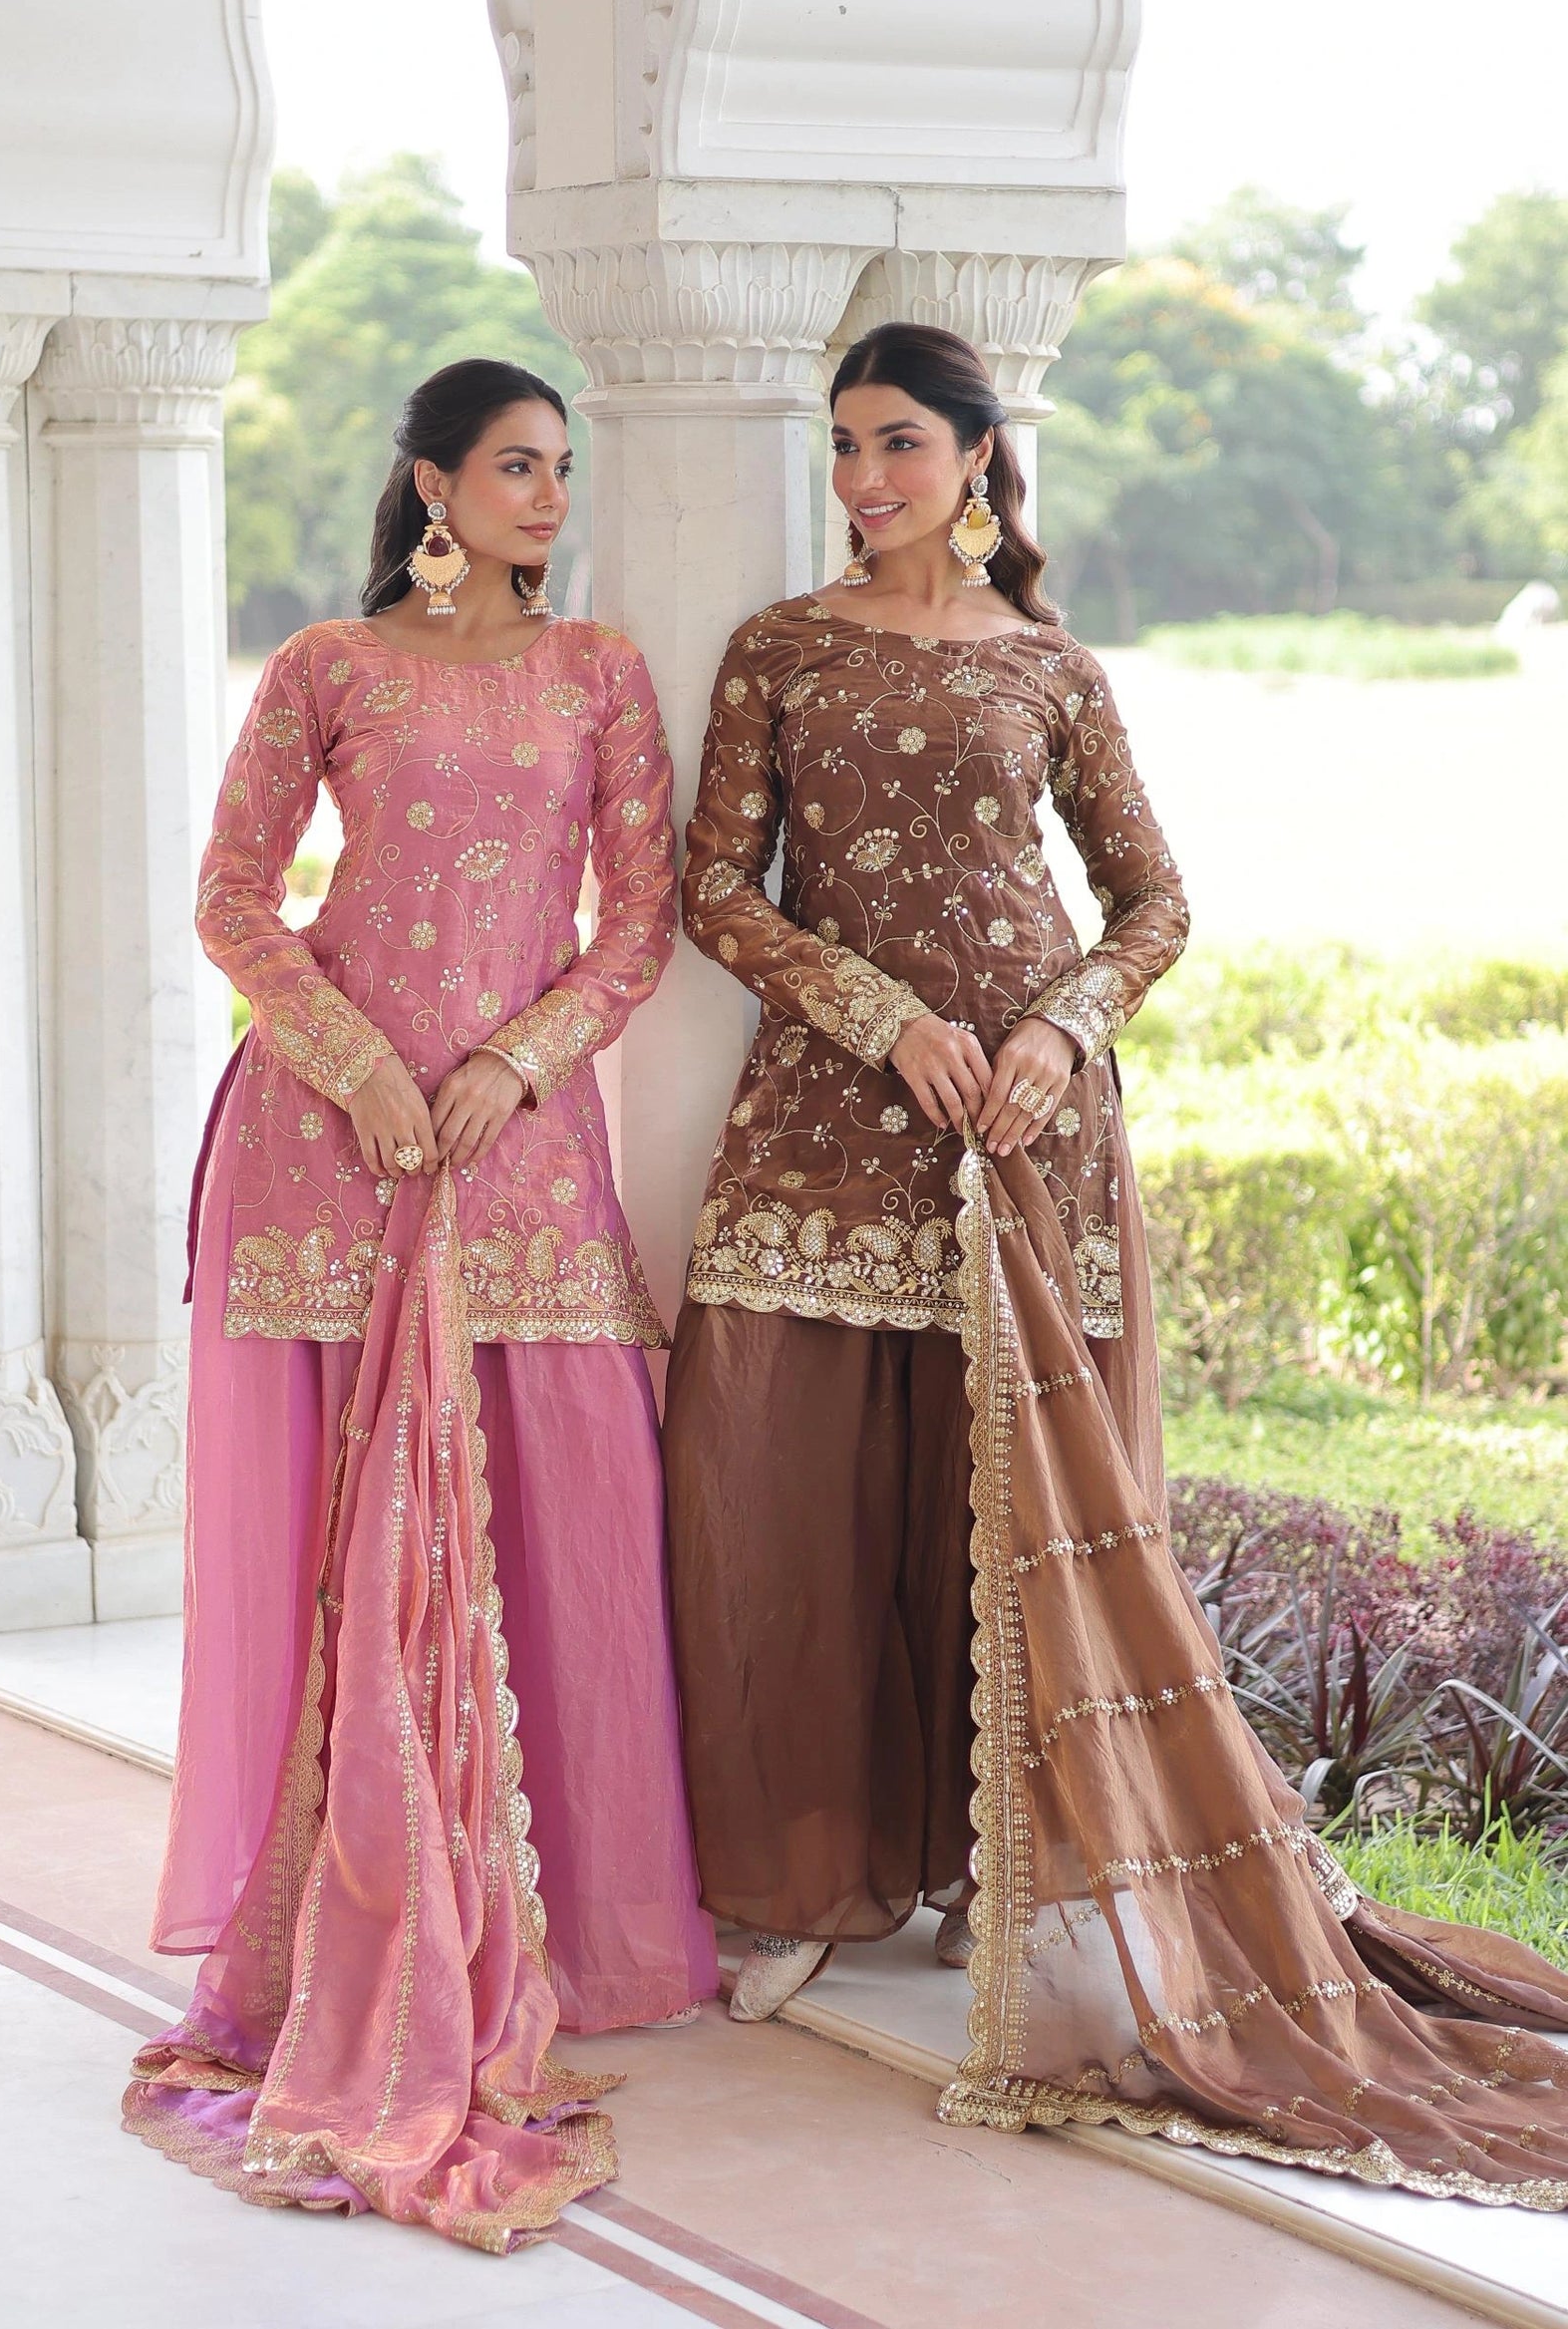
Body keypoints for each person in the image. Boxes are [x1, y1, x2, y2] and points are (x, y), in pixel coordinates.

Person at [663, 321, 1568, 2203]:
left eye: (898, 443)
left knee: (1004, 1508)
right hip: (834, 1125)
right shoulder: (781, 648)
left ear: (981, 454)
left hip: (1028, 1127)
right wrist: (874, 1009)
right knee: (791, 1506)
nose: (862, 479)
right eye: (844, 446)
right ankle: (818, 1871)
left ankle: (1015, 1874)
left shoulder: (1053, 669)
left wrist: (1065, 1027)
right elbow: (718, 889)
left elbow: (1153, 897)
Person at [125, 359, 716, 2249]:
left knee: (575, 1509)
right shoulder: (325, 667)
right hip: (332, 1144)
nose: (552, 496)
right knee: (327, 1536)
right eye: (519, 468)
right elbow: (231, 896)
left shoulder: (598, 670)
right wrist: (362, 1064)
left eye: (564, 468)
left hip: (520, 1141)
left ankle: (578, 1930)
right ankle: (347, 1919)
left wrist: (518, 1061)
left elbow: (639, 918)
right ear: (433, 488)